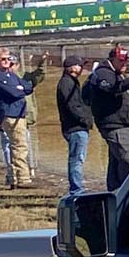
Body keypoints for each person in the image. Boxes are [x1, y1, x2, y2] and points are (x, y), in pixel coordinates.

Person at [86, 45, 129, 189]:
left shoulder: (116, 72)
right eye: (121, 61)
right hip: (115, 126)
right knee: (128, 160)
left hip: (123, 124)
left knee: (116, 162)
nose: (124, 64)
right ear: (112, 59)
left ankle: (115, 194)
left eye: (126, 61)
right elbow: (115, 87)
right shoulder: (103, 74)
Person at [0, 48, 48, 188]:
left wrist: (20, 88)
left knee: (18, 146)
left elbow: (27, 87)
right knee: (19, 147)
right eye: (3, 59)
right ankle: (23, 179)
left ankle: (14, 178)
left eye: (9, 59)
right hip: (10, 115)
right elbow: (14, 93)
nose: (7, 61)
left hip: (20, 114)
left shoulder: (11, 75)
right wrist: (19, 89)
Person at [54, 55, 93, 194]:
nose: (82, 68)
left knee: (78, 158)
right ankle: (77, 190)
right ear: (72, 67)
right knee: (77, 159)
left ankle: (77, 188)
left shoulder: (72, 82)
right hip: (75, 128)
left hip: (77, 127)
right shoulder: (66, 83)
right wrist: (85, 120)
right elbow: (73, 106)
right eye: (79, 65)